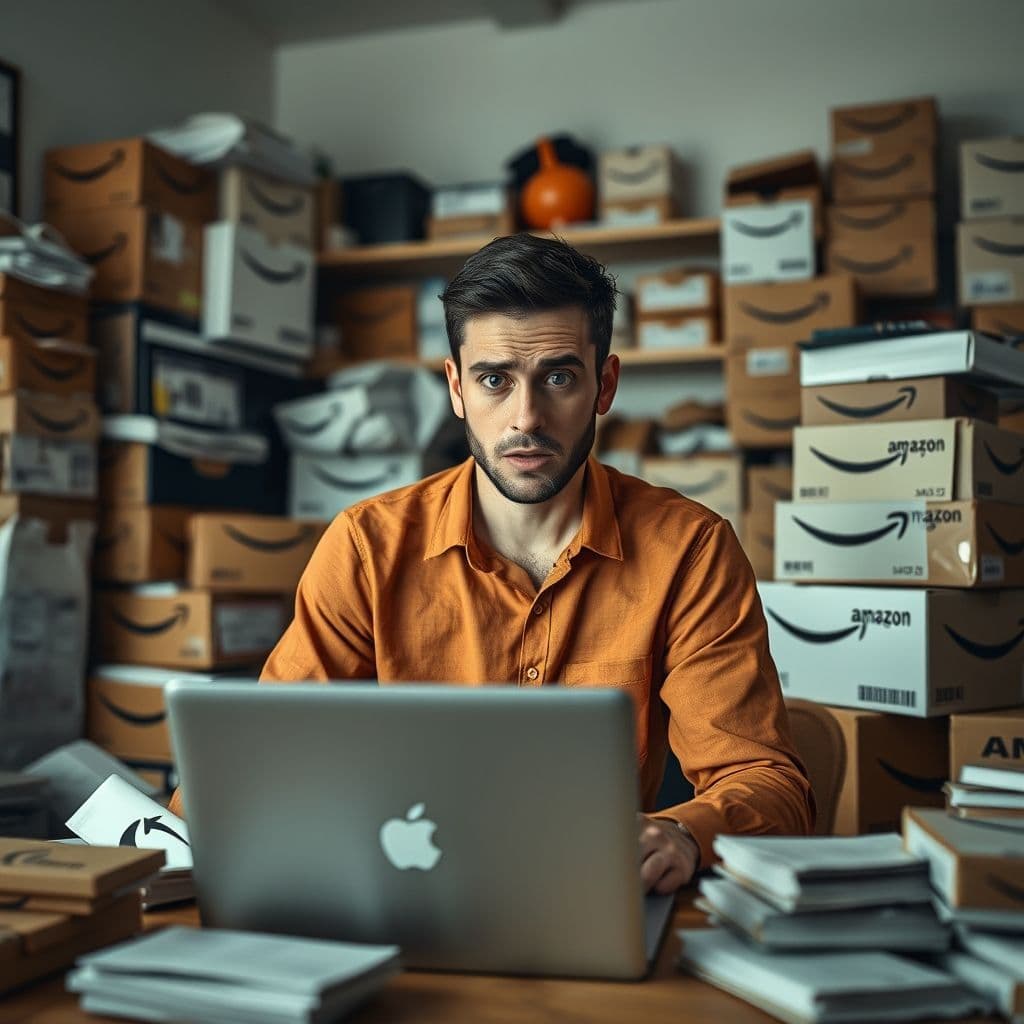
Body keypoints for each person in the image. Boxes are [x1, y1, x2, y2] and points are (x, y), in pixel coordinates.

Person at [170, 233, 814, 893]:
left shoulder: (689, 549)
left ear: (605, 385)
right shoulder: (367, 547)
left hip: (591, 898)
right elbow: (265, 757)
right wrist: (171, 862)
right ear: (456, 388)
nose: (525, 417)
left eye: (558, 376)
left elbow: (768, 785)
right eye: (494, 379)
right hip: (398, 898)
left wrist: (681, 833)